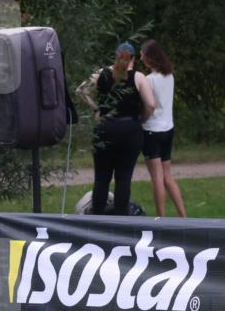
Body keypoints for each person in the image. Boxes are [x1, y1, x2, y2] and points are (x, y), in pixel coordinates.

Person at [76, 41, 156, 215]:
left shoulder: (101, 74)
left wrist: (97, 108)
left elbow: (81, 90)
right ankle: (121, 219)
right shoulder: (138, 77)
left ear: (116, 56)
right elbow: (150, 104)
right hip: (130, 130)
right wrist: (141, 119)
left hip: (105, 127)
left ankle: (96, 218)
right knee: (124, 177)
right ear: (133, 59)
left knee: (102, 178)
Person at [140, 39, 187, 218]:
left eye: (143, 54)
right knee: (168, 176)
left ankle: (161, 218)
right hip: (168, 129)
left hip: (152, 131)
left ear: (150, 58)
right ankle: (183, 216)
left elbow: (149, 106)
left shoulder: (148, 80)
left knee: (157, 178)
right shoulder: (169, 76)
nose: (141, 57)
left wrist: (141, 119)